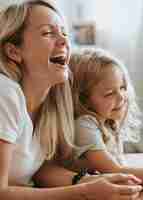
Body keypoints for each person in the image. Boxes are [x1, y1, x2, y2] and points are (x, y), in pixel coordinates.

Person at [0, 1, 142, 200]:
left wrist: (85, 181)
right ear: (14, 51)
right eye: (48, 33)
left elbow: (39, 170)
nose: (63, 41)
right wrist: (83, 192)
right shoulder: (5, 94)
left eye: (64, 33)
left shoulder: (50, 102)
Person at [69, 49, 143, 184]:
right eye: (109, 93)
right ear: (83, 99)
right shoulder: (84, 125)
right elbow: (112, 170)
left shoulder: (109, 122)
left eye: (122, 88)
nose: (121, 97)